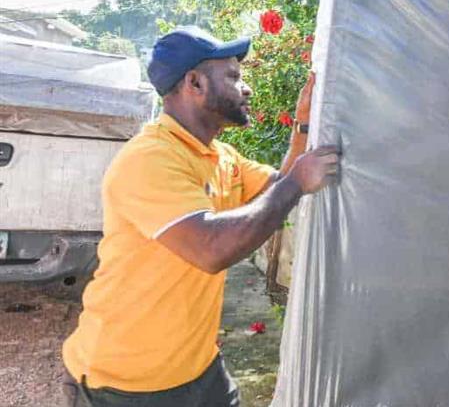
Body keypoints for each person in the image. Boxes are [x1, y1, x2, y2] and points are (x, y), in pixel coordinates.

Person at [61, 26, 339, 406]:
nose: (246, 89)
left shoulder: (220, 156)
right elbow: (211, 249)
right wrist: (296, 184)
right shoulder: (150, 159)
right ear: (194, 82)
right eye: (233, 77)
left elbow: (280, 187)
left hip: (200, 368)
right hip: (128, 384)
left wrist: (304, 125)